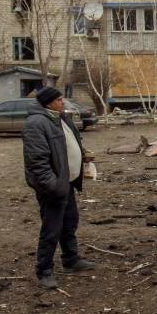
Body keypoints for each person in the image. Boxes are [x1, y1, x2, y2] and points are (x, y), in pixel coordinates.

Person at [22, 86, 95, 290]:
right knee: (51, 229)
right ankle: (44, 270)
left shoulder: (61, 118)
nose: (63, 103)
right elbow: (37, 161)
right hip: (53, 186)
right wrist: (52, 186)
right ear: (49, 102)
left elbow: (70, 145)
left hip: (67, 182)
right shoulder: (36, 123)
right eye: (60, 100)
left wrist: (83, 158)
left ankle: (71, 260)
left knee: (70, 222)